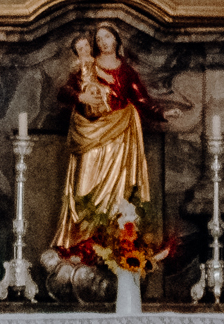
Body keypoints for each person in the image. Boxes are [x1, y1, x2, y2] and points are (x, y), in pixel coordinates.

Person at [50, 23, 161, 266]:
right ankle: (82, 242)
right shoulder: (85, 66)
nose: (103, 42)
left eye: (107, 37)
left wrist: (161, 112)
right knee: (84, 186)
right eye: (98, 38)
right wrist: (80, 96)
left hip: (119, 137)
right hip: (89, 134)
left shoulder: (126, 71)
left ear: (116, 40)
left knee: (116, 193)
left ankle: (111, 241)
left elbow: (140, 98)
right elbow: (64, 91)